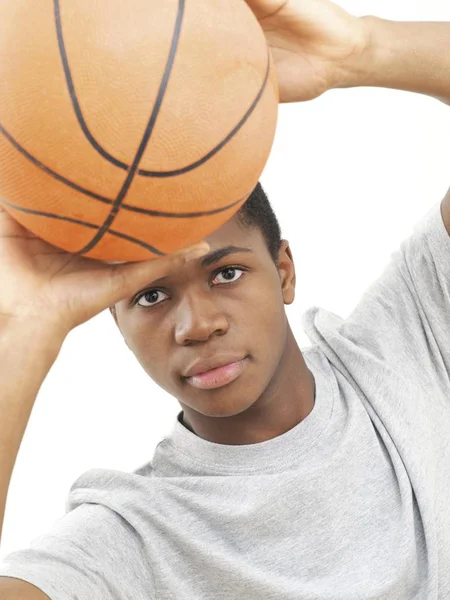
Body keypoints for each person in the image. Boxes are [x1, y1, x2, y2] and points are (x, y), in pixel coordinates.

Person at [0, 0, 449, 598]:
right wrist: (21, 328)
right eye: (151, 294)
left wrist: (361, 52)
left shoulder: (405, 345)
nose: (197, 324)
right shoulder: (128, 540)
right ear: (113, 320)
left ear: (284, 271)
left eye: (227, 274)